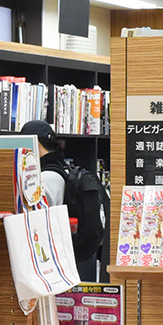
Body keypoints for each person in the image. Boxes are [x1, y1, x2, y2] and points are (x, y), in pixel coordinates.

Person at [19, 118, 108, 278]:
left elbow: (35, 223)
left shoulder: (45, 178)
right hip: (79, 259)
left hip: (58, 261)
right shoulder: (64, 169)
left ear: (34, 144)